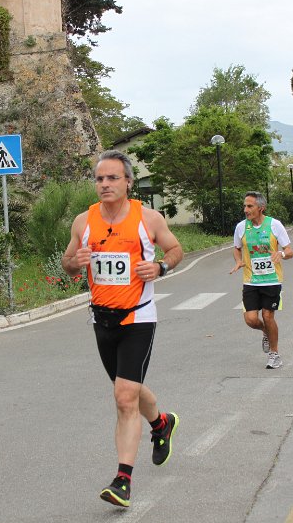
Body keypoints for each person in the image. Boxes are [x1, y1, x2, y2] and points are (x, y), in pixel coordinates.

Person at [61, 150, 184, 509]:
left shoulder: (149, 219)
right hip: (102, 319)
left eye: (113, 178)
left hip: (137, 318)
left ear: (128, 182)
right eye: (100, 179)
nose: (105, 184)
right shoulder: (83, 222)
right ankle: (161, 423)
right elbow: (68, 264)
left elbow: (175, 250)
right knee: (126, 387)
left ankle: (123, 480)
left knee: (124, 397)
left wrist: (160, 268)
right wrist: (75, 262)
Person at [229, 191, 293, 369]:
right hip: (250, 280)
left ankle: (274, 353)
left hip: (272, 280)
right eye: (245, 206)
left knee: (267, 315)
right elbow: (236, 248)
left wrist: (280, 253)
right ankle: (265, 331)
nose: (246, 210)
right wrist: (239, 260)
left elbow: (289, 251)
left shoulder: (274, 225)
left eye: (250, 206)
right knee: (250, 319)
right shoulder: (241, 227)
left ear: (261, 208)